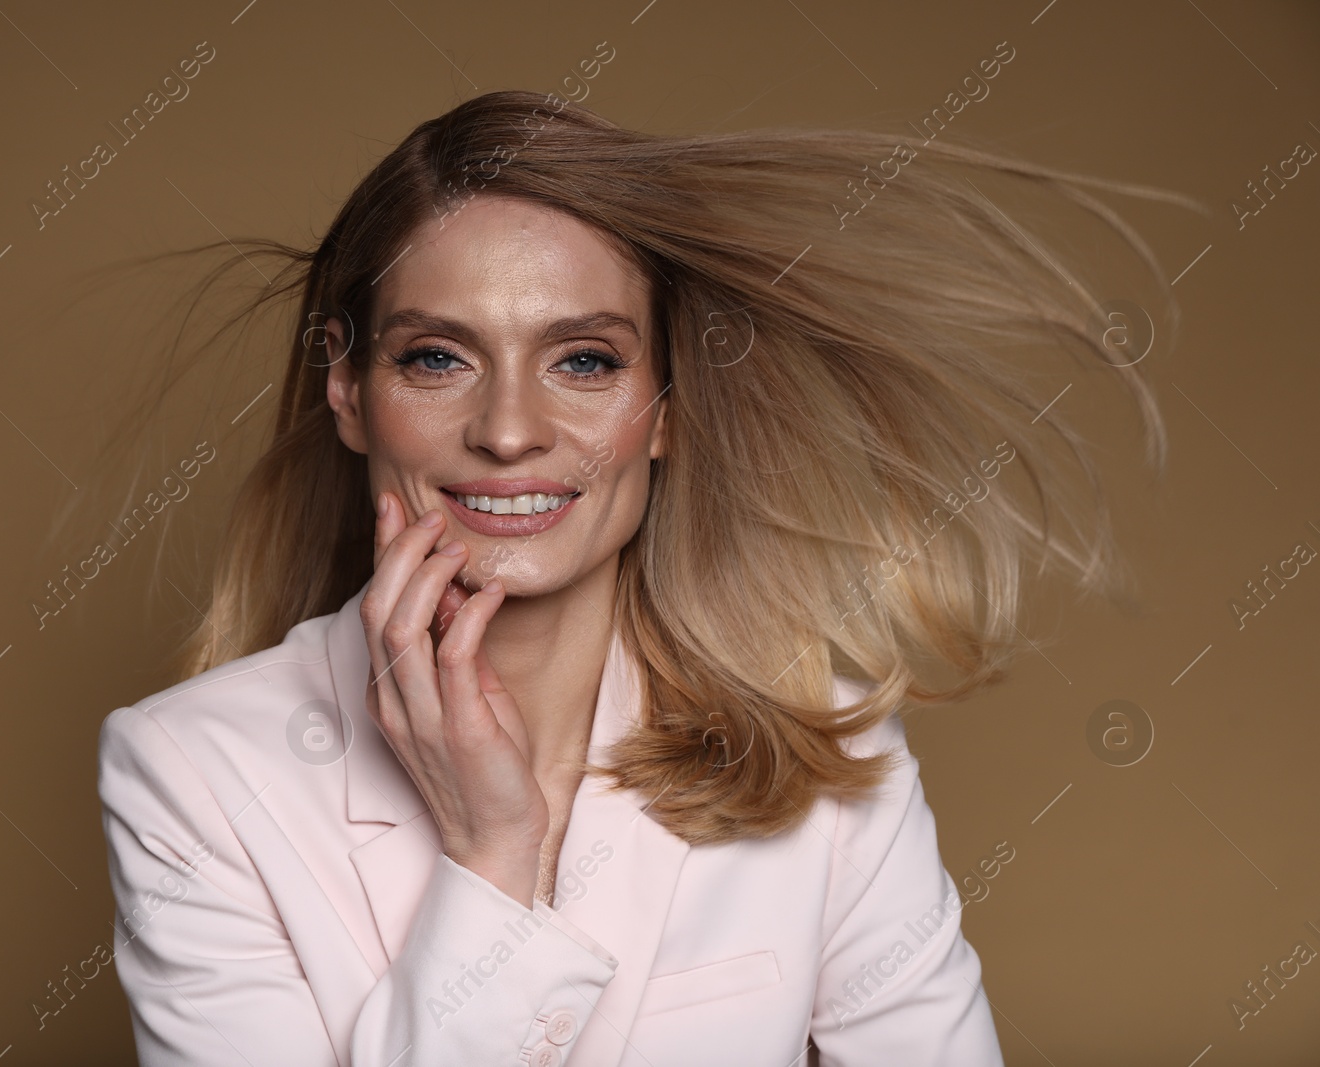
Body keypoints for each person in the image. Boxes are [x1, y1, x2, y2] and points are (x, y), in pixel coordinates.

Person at [96, 88, 1188, 1065]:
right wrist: (493, 852)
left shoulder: (828, 736)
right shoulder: (187, 774)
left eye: (584, 360)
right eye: (437, 356)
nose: (511, 431)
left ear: (665, 408)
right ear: (347, 391)